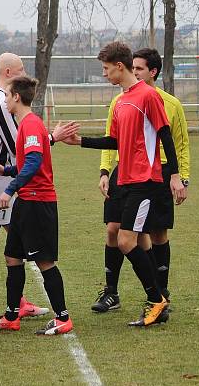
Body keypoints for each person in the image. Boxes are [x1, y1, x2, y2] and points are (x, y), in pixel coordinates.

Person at [62, 42, 182, 327]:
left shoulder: (148, 96)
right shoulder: (121, 101)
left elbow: (165, 135)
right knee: (131, 238)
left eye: (105, 69)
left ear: (119, 66)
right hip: (125, 180)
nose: (104, 75)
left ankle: (156, 300)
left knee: (127, 241)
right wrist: (81, 142)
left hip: (146, 181)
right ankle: (157, 300)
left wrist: (175, 175)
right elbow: (114, 141)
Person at [0, 53, 76, 324]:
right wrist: (52, 137)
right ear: (10, 72)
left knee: (16, 241)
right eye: (22, 69)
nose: (26, 74)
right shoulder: (3, 102)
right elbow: (22, 147)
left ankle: (17, 304)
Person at [92, 47, 190, 313]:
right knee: (116, 230)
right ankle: (114, 292)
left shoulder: (165, 102)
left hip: (154, 175)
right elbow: (113, 139)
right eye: (132, 67)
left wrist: (180, 177)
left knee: (152, 233)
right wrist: (104, 170)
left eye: (139, 68)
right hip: (124, 173)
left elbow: (177, 143)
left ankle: (160, 294)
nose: (135, 72)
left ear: (152, 72)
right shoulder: (120, 100)